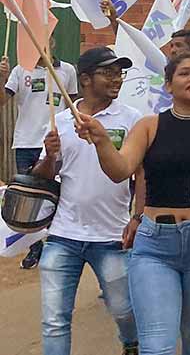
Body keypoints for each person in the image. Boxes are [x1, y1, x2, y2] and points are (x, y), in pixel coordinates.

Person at [76, 53, 190, 355]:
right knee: (157, 346)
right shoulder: (148, 126)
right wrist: (102, 141)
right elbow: (120, 169)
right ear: (168, 85)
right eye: (184, 73)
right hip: (154, 247)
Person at [29, 47, 139, 355]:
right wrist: (49, 156)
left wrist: (138, 216)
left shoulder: (132, 119)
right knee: (54, 321)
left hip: (112, 237)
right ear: (86, 79)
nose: (117, 79)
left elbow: (142, 175)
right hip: (63, 236)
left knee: (123, 310)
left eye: (120, 72)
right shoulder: (60, 122)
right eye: (109, 72)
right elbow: (44, 176)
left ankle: (131, 344)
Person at [0, 37, 78, 269]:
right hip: (26, 143)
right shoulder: (19, 70)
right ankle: (35, 248)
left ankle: (57, 244)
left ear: (53, 42)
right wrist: (1, 78)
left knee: (60, 195)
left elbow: (73, 105)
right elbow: (2, 100)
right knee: (29, 199)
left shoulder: (67, 71)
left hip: (57, 144)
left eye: (46, 40)